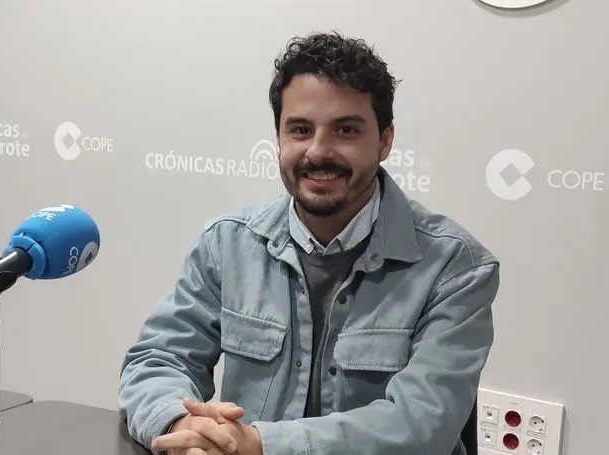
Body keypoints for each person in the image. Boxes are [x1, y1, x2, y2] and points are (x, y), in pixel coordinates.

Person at [118, 31, 500, 455]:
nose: (318, 151)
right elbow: (156, 361)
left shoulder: (455, 267)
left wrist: (262, 444)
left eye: (345, 130)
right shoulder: (226, 244)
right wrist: (183, 424)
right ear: (279, 138)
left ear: (385, 141)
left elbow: (423, 424)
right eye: (300, 129)